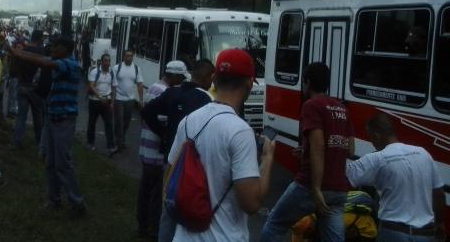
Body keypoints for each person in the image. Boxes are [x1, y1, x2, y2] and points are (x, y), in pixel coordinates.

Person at [168, 48, 274, 242]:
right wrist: (267, 158)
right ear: (250, 83)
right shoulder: (240, 131)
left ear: (214, 80)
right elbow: (251, 204)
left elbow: (170, 183)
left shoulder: (188, 121)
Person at [261, 62, 355, 242]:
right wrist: (306, 150)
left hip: (309, 186)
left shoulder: (311, 105)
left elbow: (318, 146)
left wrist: (316, 188)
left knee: (274, 225)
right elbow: (349, 150)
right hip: (339, 190)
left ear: (307, 82)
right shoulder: (342, 109)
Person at [8, 35, 86, 215]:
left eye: (55, 47)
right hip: (53, 118)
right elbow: (42, 59)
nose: (51, 49)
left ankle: (77, 203)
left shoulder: (70, 65)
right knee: (50, 162)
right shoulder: (60, 60)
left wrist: (18, 54)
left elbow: (43, 62)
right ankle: (54, 200)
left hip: (64, 120)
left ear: (65, 49)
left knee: (63, 164)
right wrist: (18, 52)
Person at [346, 113, 445, 242]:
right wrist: (440, 223)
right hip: (425, 234)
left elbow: (345, 178)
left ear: (375, 136)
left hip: (393, 233)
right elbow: (439, 194)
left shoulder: (377, 158)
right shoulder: (423, 153)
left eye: (371, 139)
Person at [142, 60, 212, 242]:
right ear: (207, 78)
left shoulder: (172, 93)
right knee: (191, 204)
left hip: (171, 159)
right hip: (195, 163)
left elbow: (147, 111)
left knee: (169, 204)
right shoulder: (206, 99)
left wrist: (163, 133)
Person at [136, 64, 176, 241]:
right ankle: (152, 231)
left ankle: (142, 226)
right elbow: (162, 121)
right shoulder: (164, 92)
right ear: (173, 76)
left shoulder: (153, 86)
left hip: (145, 149)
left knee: (144, 191)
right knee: (156, 195)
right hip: (156, 153)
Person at [13, 29, 49, 147]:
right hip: (36, 89)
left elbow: (16, 67)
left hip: (22, 85)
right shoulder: (42, 51)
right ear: (39, 38)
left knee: (21, 116)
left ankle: (17, 141)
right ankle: (39, 142)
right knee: (37, 116)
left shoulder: (24, 50)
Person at [113, 49, 145, 151]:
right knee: (119, 120)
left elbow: (140, 84)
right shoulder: (117, 68)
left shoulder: (136, 69)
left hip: (130, 100)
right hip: (118, 98)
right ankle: (120, 142)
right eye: (127, 56)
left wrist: (141, 100)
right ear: (123, 57)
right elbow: (113, 85)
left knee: (126, 122)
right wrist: (112, 99)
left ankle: (119, 137)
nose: (129, 58)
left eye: (131, 56)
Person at [86, 53, 117, 155]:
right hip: (94, 101)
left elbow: (113, 88)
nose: (107, 63)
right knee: (92, 123)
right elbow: (91, 86)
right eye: (105, 61)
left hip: (106, 102)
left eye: (108, 61)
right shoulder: (95, 72)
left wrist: (112, 102)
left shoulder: (112, 73)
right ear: (101, 61)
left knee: (109, 124)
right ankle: (90, 143)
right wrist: (100, 97)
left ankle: (111, 146)